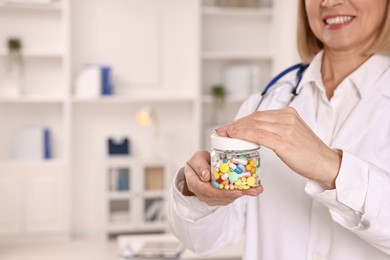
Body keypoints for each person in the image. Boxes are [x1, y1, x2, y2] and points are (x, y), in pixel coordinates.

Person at [167, 0, 390, 259]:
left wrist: (332, 168)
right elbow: (207, 241)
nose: (330, 2)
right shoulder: (267, 101)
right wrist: (194, 190)